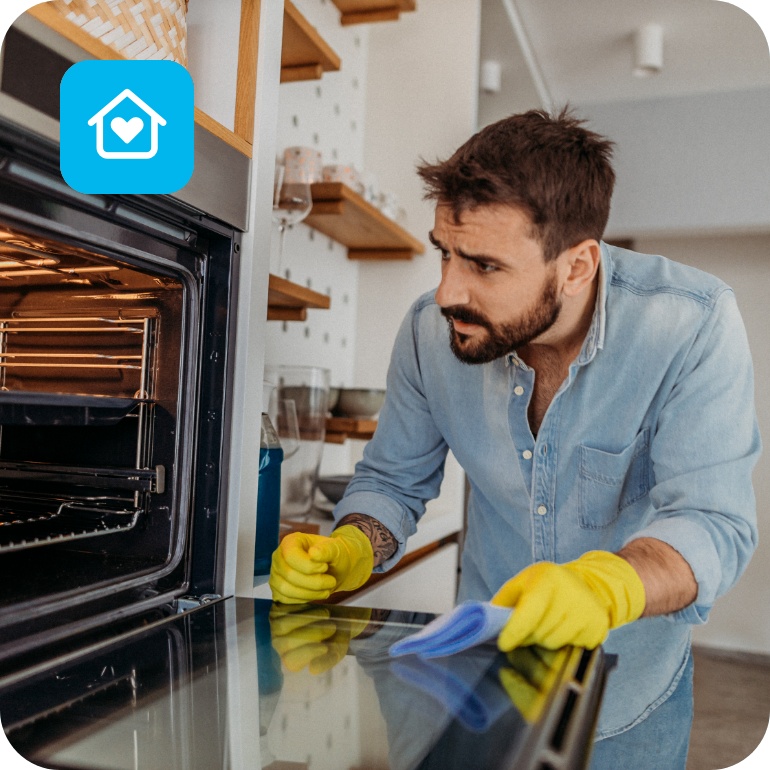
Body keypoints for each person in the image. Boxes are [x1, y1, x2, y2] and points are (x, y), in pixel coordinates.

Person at [268, 108, 761, 768]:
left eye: (485, 265)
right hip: (477, 679)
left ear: (578, 265)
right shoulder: (428, 334)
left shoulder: (691, 324)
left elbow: (712, 520)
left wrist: (606, 586)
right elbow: (391, 482)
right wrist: (355, 542)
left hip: (628, 693)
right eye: (444, 252)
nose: (447, 291)